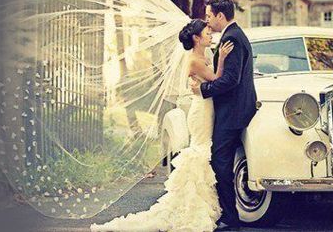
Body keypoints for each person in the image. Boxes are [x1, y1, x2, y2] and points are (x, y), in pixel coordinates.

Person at [90, 19, 234, 232]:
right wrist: (222, 58)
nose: (211, 34)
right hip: (201, 110)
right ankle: (189, 206)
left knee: (203, 151)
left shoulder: (202, 56)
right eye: (207, 32)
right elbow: (217, 79)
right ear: (196, 38)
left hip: (207, 107)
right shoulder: (194, 59)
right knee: (200, 152)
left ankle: (199, 203)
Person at [191, 0, 259, 231]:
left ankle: (231, 217)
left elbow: (231, 80)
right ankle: (224, 212)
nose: (207, 22)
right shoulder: (233, 36)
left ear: (221, 15)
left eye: (209, 16)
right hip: (231, 108)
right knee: (220, 161)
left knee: (221, 163)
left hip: (233, 111)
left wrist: (203, 89)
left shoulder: (233, 38)